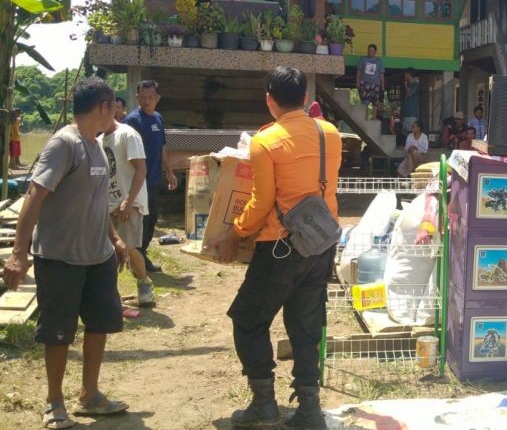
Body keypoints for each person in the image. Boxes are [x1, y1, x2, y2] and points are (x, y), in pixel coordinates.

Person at [208, 66, 342, 429]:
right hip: (321, 245)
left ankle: (264, 403)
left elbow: (262, 200)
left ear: (270, 100)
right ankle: (310, 411)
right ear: (305, 97)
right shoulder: (330, 133)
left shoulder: (265, 142)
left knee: (248, 320)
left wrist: (235, 234)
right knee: (305, 325)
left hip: (281, 250)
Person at [2, 77, 130, 429]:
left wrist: (115, 239)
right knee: (58, 332)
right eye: (114, 107)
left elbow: (98, 201)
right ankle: (54, 401)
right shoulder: (65, 144)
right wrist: (18, 252)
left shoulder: (96, 145)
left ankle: (90, 394)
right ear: (103, 107)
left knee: (100, 323)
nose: (116, 113)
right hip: (60, 257)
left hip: (97, 255)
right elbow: (34, 196)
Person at [125, 80, 178, 274]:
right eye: (143, 97)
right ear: (137, 97)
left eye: (151, 97)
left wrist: (169, 171)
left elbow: (162, 146)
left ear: (157, 98)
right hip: (137, 181)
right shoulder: (132, 121)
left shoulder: (158, 118)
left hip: (154, 179)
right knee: (141, 221)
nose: (147, 101)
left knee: (152, 218)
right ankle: (136, 258)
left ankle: (141, 253)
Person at [100, 115, 153, 305]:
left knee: (128, 247)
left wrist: (128, 202)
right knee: (110, 251)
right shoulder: (99, 140)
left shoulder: (128, 135)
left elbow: (141, 169)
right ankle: (109, 294)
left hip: (129, 203)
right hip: (108, 204)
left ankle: (144, 283)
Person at [355, 43, 385, 119]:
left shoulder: (379, 61)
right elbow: (358, 71)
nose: (370, 52)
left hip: (376, 84)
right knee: (365, 101)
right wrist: (358, 82)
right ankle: (365, 117)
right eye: (369, 51)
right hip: (364, 83)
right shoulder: (363, 59)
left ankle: (374, 117)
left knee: (375, 101)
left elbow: (381, 74)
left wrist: (382, 85)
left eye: (372, 51)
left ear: (375, 52)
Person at [402, 68, 420, 132]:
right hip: (407, 114)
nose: (405, 76)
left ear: (409, 74)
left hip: (412, 114)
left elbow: (410, 94)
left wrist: (406, 85)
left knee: (411, 133)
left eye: (405, 74)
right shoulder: (411, 85)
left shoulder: (415, 84)